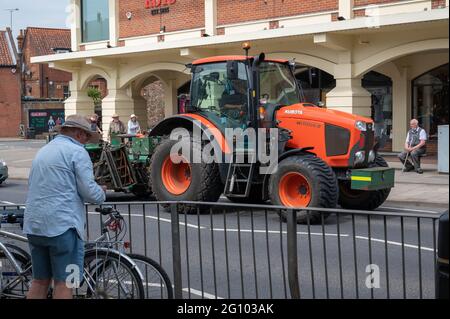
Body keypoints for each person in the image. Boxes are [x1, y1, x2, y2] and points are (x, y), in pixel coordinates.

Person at [23, 114, 106, 299]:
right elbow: (90, 191)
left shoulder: (44, 150)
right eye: (85, 136)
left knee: (40, 280)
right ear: (78, 133)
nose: (86, 140)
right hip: (62, 227)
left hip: (35, 225)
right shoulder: (77, 152)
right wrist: (102, 192)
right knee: (66, 283)